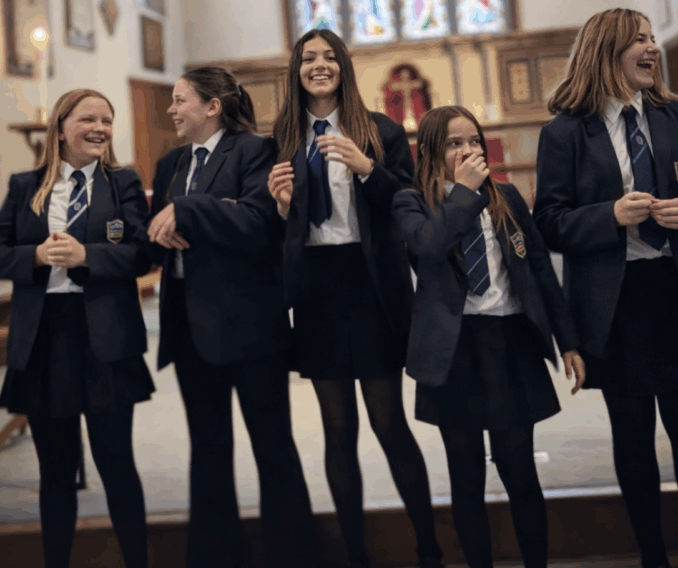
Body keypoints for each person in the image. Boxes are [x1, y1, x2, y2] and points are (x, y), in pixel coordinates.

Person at [267, 29, 443, 568]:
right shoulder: (284, 135)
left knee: (388, 423)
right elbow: (278, 226)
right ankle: (356, 555)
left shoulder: (380, 129)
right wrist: (281, 208)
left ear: (343, 66)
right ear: (296, 70)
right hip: (317, 288)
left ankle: (429, 548)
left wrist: (367, 169)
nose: (318, 65)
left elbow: (409, 200)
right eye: (308, 58)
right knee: (337, 429)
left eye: (329, 57)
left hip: (371, 285)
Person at [393, 105, 585, 568]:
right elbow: (429, 247)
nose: (467, 150)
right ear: (431, 151)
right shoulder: (411, 201)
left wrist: (568, 341)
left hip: (510, 342)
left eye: (473, 141)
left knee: (520, 472)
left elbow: (540, 271)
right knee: (466, 479)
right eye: (454, 143)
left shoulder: (507, 197)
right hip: (455, 351)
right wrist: (463, 193)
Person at [148, 66, 316, 568]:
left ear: (212, 106)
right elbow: (155, 230)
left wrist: (192, 211)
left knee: (272, 446)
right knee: (208, 450)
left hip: (250, 327)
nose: (172, 109)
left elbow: (258, 222)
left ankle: (293, 557)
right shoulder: (170, 163)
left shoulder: (254, 151)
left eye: (180, 100)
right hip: (189, 327)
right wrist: (164, 228)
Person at [534, 8, 678, 568]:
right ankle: (653, 557)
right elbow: (549, 222)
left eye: (653, 38)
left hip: (671, 287)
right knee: (634, 436)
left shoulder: (671, 115)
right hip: (616, 305)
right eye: (639, 39)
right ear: (607, 51)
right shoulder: (564, 133)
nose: (652, 48)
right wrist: (610, 215)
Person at [0, 88, 153, 568]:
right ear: (62, 126)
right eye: (89, 119)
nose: (100, 128)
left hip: (105, 337)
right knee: (56, 471)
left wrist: (89, 256)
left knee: (117, 465)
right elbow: (1, 252)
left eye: (107, 120)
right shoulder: (25, 186)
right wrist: (35, 256)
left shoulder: (123, 182)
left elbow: (143, 254)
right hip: (45, 338)